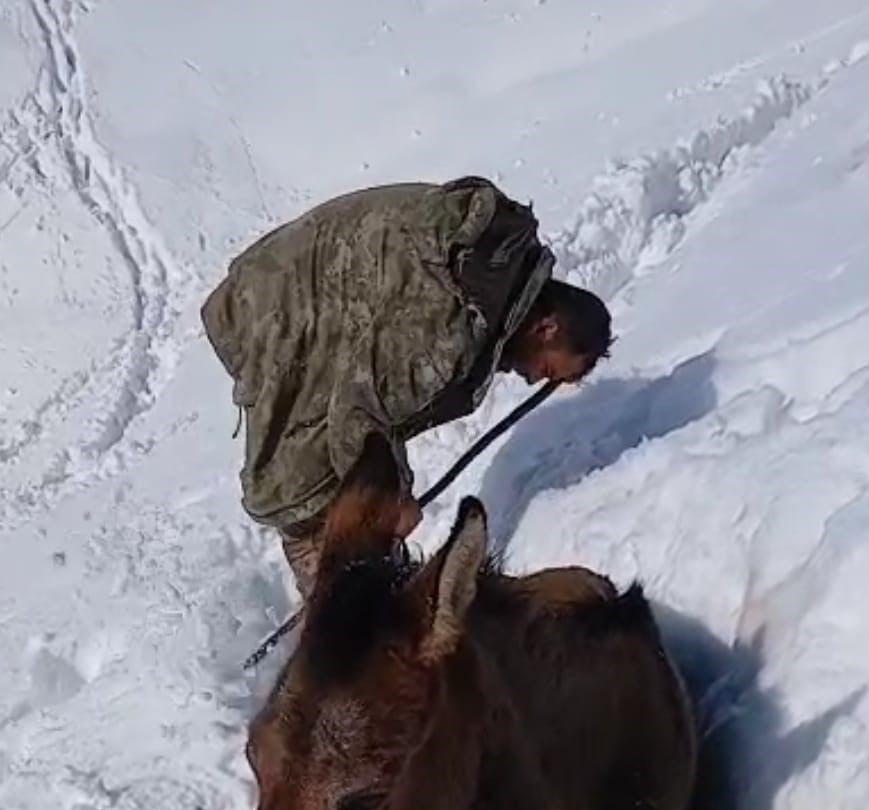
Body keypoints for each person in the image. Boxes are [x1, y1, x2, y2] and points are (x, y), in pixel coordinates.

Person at [202, 176, 612, 595]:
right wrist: (389, 502)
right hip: (273, 308)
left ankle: (361, 581)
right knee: (304, 485)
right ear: (547, 327)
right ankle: (337, 599)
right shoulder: (452, 323)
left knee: (338, 471)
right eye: (545, 368)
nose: (531, 378)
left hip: (293, 287)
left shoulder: (493, 269)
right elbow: (359, 412)